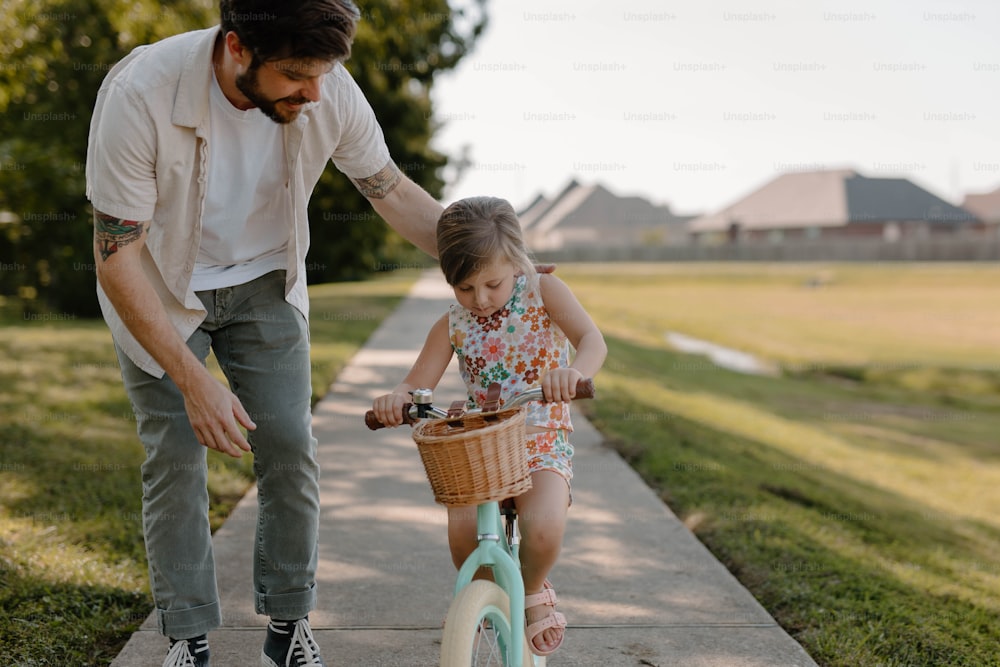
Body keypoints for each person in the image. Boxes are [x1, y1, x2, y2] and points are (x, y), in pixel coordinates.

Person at [85, 1, 445, 665]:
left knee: (288, 442)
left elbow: (390, 190)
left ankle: (287, 628)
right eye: (297, 75)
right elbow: (117, 256)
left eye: (321, 75)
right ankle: (187, 636)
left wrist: (486, 259)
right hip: (160, 285)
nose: (314, 92)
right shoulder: (141, 93)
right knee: (174, 454)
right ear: (237, 49)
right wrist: (195, 382)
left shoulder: (326, 87)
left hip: (265, 283)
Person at [370, 196, 607, 656]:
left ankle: (534, 589)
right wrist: (397, 398)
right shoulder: (452, 324)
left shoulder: (544, 291)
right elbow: (416, 383)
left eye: (492, 284)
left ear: (517, 260)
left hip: (539, 436)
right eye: (464, 288)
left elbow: (591, 340)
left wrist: (575, 372)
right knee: (462, 532)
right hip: (482, 447)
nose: (479, 299)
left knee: (543, 526)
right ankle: (478, 602)